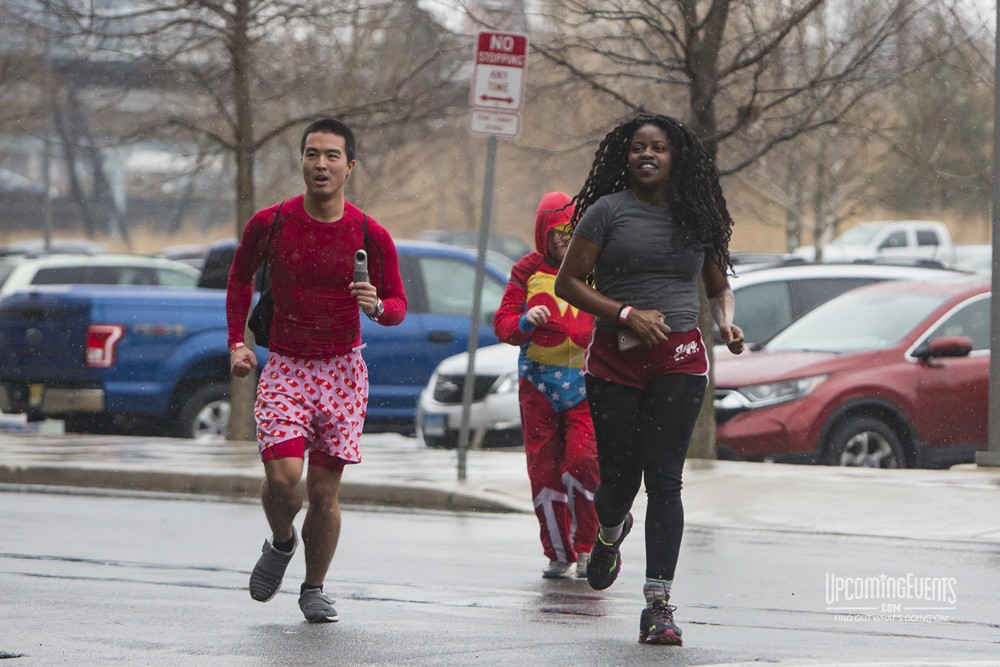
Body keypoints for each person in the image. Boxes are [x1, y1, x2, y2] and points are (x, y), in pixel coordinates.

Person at [553, 113, 744, 645]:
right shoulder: (606, 212)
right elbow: (568, 283)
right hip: (615, 362)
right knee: (619, 482)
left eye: (658, 147)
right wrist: (624, 313)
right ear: (626, 155)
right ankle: (610, 532)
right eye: (638, 147)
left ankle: (658, 604)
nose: (647, 154)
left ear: (675, 156)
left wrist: (726, 322)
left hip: (679, 360)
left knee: (664, 481)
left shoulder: (697, 215)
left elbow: (718, 287)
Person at [226, 117, 407, 623]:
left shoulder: (371, 233)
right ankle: (282, 540)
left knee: (324, 492)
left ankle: (314, 588)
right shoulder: (271, 223)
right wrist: (237, 343)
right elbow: (239, 279)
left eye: (331, 156)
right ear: (302, 162)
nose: (320, 164)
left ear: (350, 167)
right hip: (286, 367)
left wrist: (377, 307)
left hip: (343, 372)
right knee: (284, 478)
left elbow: (398, 305)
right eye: (312, 154)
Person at [493, 192, 600, 580]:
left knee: (583, 461)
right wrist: (526, 321)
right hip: (537, 388)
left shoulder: (592, 266)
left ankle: (587, 545)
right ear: (543, 233)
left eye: (571, 231)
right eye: (556, 232)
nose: (564, 240)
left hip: (585, 388)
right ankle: (558, 551)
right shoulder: (527, 270)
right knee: (544, 473)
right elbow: (504, 325)